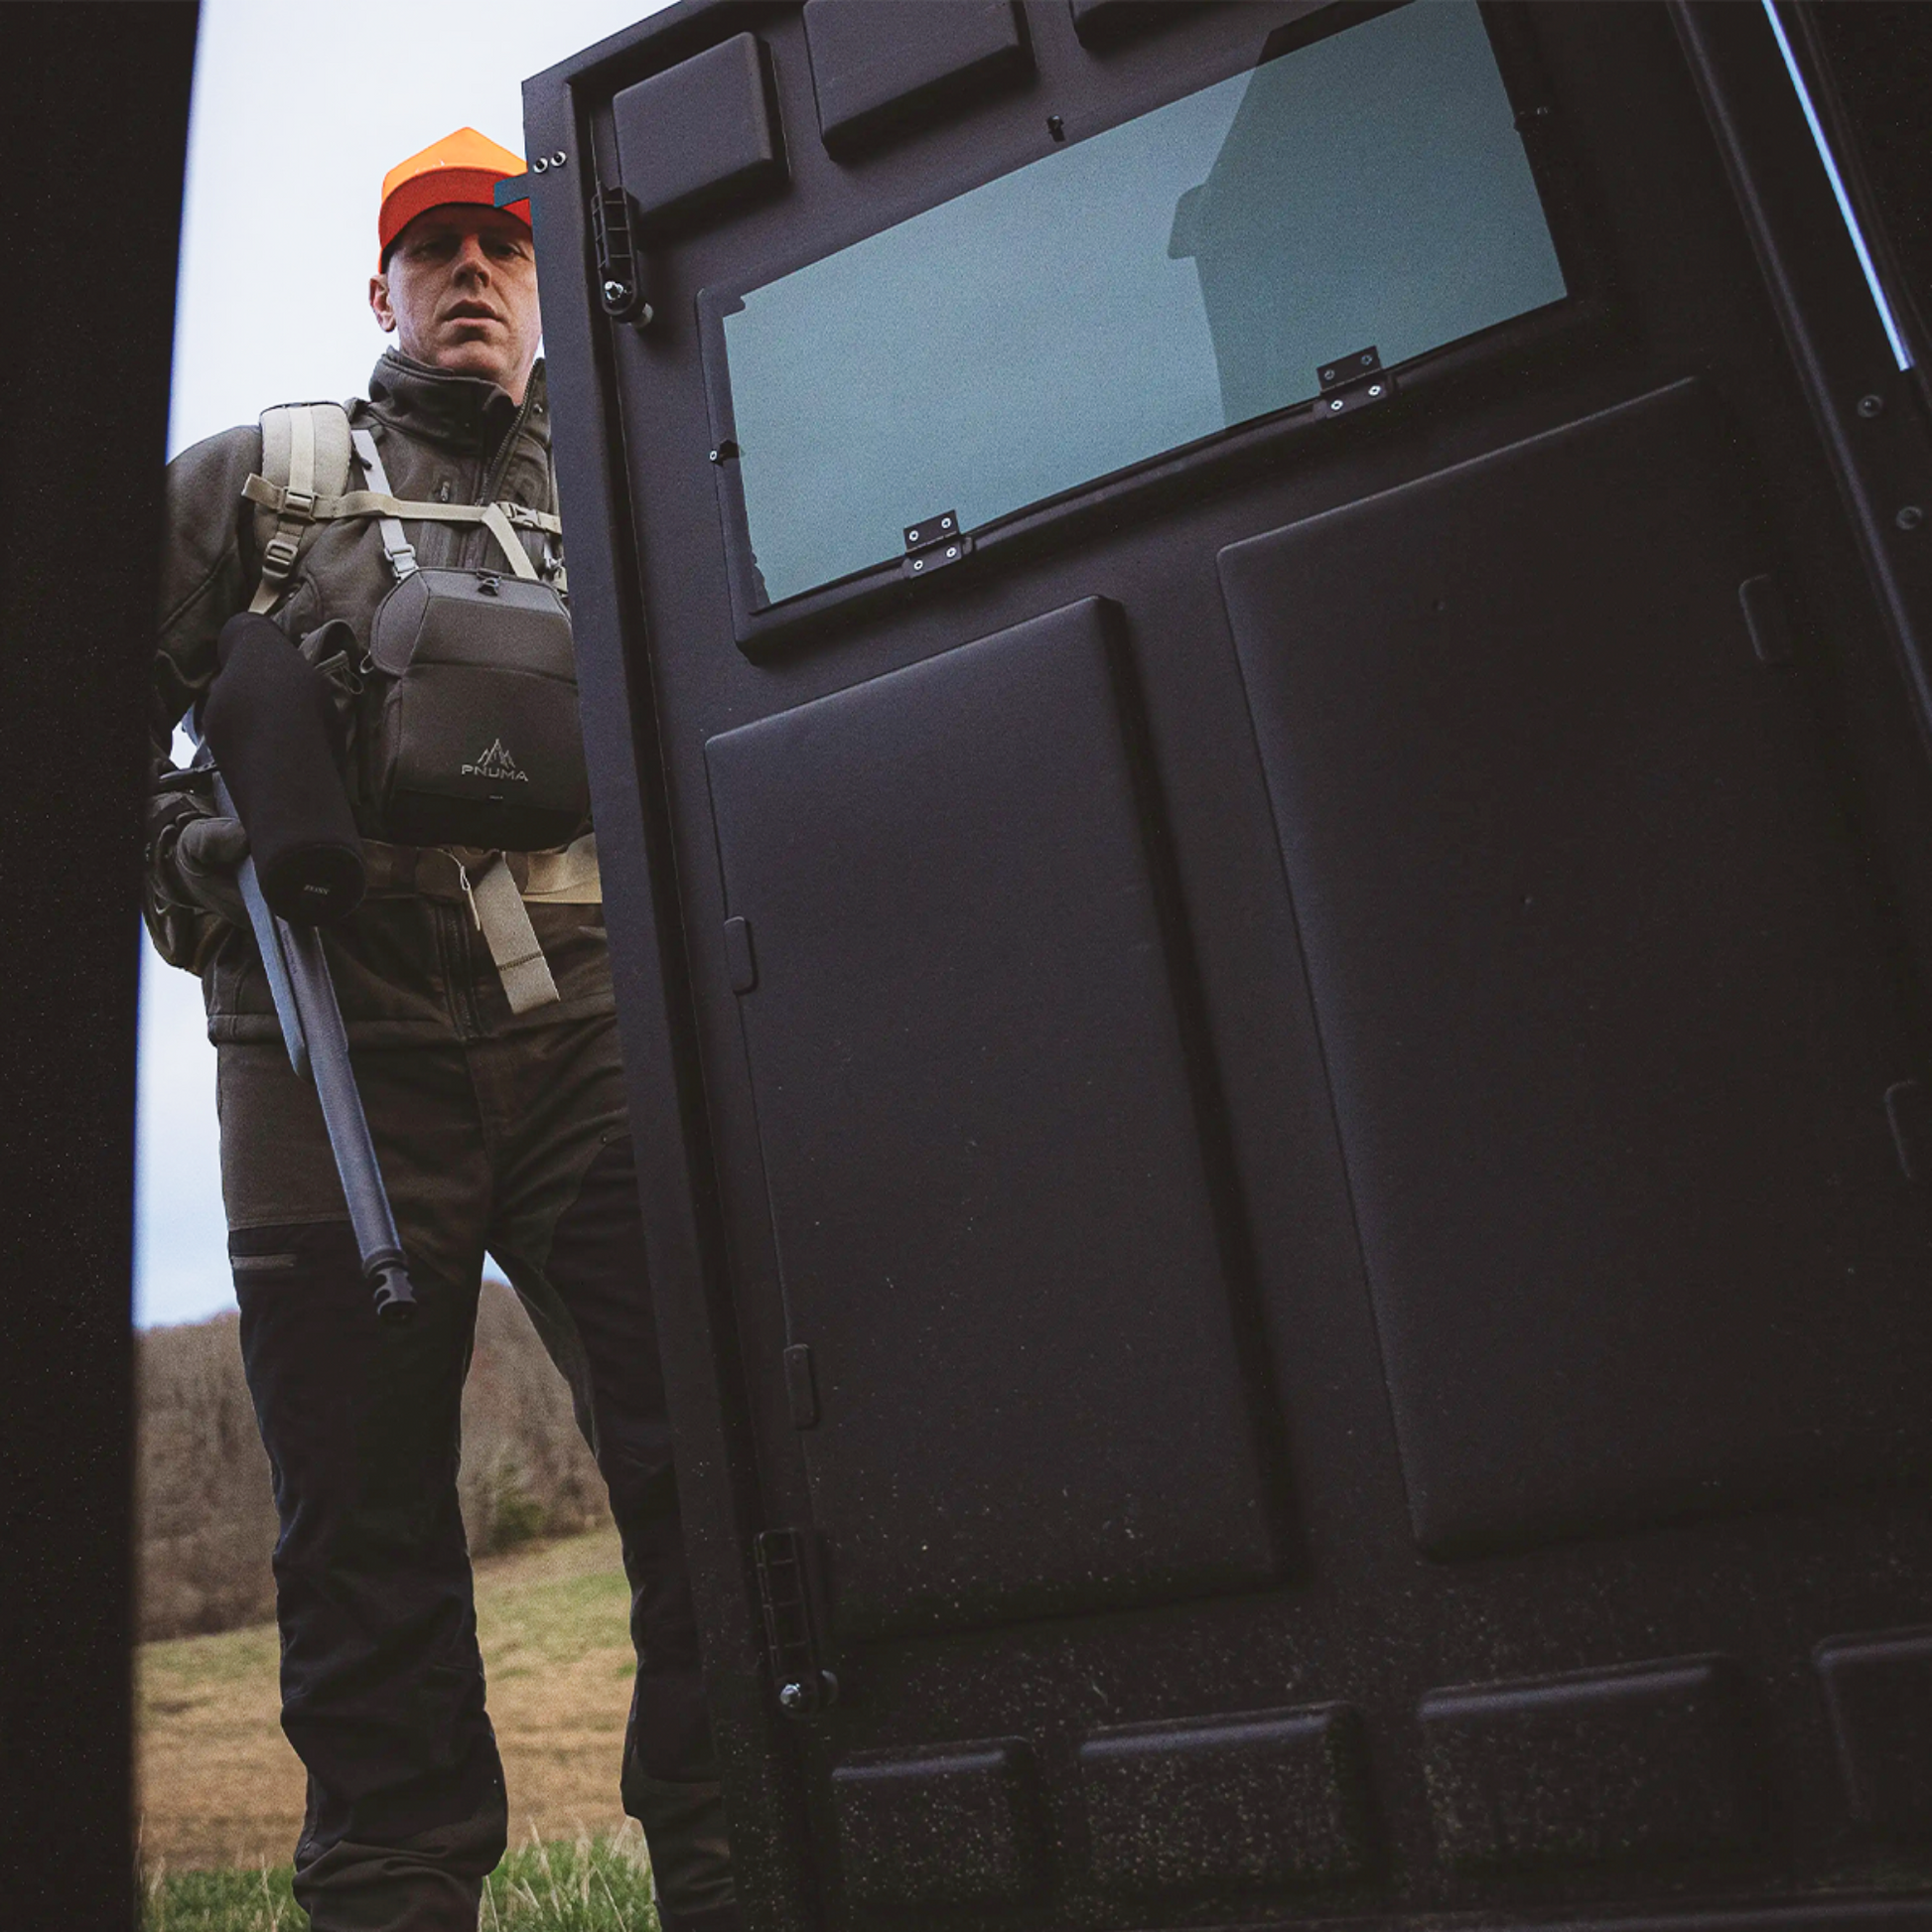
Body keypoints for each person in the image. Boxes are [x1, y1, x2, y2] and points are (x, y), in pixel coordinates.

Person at [144, 128, 737, 1932]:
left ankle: (741, 1857)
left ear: (544, 281)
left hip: (593, 1049)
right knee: (365, 1534)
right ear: (379, 289)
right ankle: (393, 1890)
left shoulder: (639, 481)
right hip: (325, 1069)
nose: (472, 271)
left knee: (705, 1466)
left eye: (502, 245)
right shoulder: (251, 486)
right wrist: (189, 849)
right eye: (435, 250)